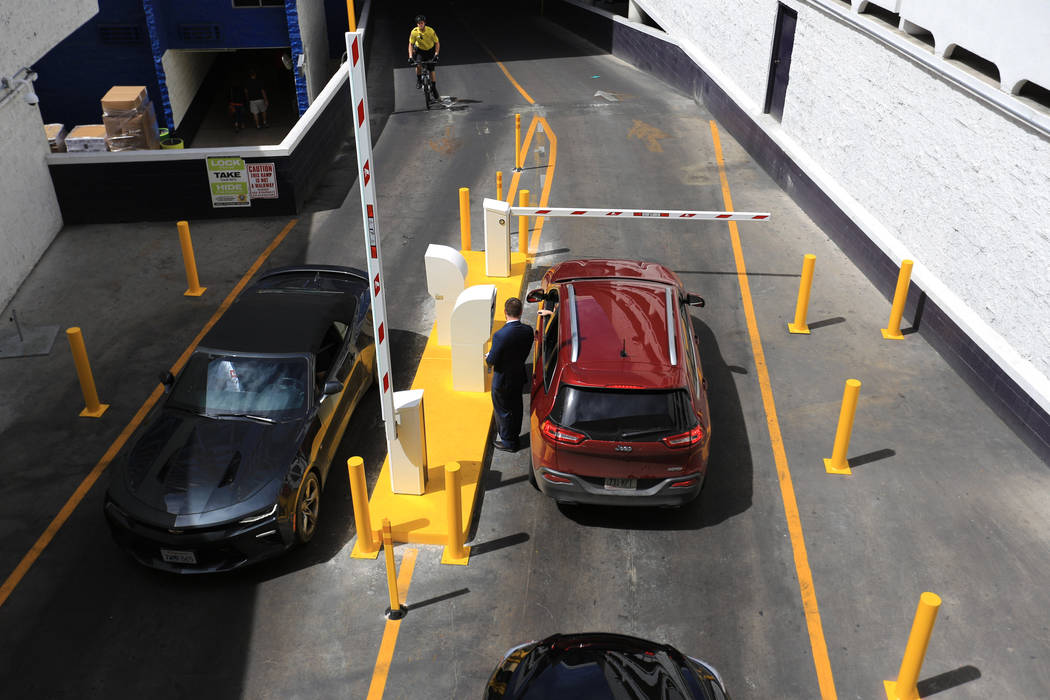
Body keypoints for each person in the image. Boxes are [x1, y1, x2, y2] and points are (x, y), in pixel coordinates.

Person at [486, 298, 535, 452]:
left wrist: (488, 357)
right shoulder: (528, 331)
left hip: (502, 380)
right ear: (520, 312)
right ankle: (514, 434)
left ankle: (509, 442)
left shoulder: (500, 335)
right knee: (516, 407)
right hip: (518, 376)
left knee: (503, 410)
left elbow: (492, 360)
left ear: (505, 312)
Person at [408, 14, 440, 100]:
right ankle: (419, 80)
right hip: (420, 51)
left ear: (424, 23)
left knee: (431, 69)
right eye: (418, 23)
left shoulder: (430, 31)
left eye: (421, 23)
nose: (420, 25)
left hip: (430, 50)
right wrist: (410, 57)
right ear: (417, 24)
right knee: (418, 65)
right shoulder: (414, 32)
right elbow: (411, 44)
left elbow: (437, 42)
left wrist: (436, 54)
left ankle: (433, 87)